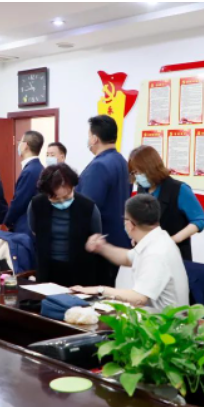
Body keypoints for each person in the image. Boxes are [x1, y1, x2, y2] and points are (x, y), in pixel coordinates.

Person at [72, 194, 189, 311]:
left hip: (164, 320)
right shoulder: (158, 238)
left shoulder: (155, 253)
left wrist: (99, 290)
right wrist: (102, 247)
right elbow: (127, 258)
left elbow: (139, 297)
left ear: (130, 224)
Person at [27, 163, 105, 287]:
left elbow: (96, 235)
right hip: (47, 269)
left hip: (79, 271)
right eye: (56, 198)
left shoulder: (88, 207)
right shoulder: (37, 205)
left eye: (67, 196)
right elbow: (34, 230)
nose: (62, 201)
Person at [75, 115, 132, 285]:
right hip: (118, 240)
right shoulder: (122, 162)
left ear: (94, 139)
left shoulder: (99, 166)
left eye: (89, 136)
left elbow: (87, 207)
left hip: (100, 243)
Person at [128, 145, 204, 261]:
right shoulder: (142, 189)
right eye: (134, 172)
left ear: (151, 167)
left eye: (139, 172)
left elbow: (200, 220)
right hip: (147, 255)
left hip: (174, 254)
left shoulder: (179, 189)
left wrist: (173, 239)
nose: (137, 176)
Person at [2, 130, 45, 237]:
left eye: (20, 141)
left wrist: (8, 221)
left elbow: (19, 201)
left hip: (25, 227)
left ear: (25, 145)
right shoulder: (38, 168)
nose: (18, 145)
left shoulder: (30, 171)